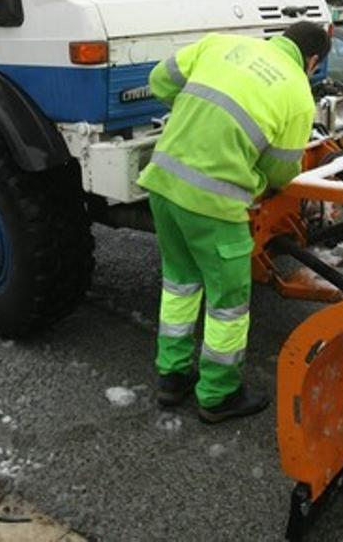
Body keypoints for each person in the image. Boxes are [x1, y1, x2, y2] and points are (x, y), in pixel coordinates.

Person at [137, 21, 330, 423]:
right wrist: (253, 174)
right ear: (312, 61)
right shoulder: (297, 93)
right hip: (213, 204)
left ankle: (171, 378)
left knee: (180, 284)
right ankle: (218, 395)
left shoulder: (221, 44)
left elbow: (159, 81)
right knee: (227, 304)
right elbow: (280, 173)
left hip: (162, 184)